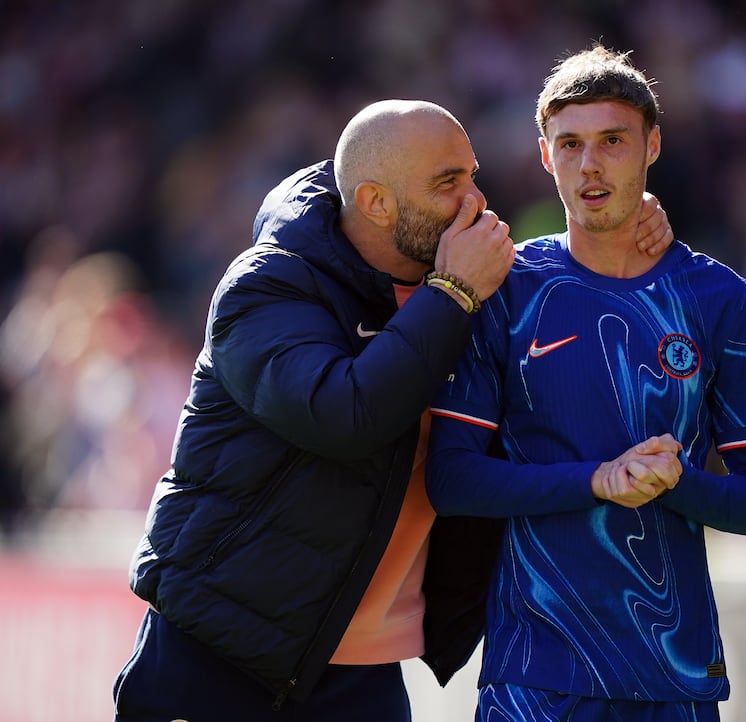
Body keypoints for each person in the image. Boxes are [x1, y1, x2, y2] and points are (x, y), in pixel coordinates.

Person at [112, 98, 676, 722]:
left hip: (363, 674)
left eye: (471, 174)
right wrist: (454, 292)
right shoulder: (270, 287)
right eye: (447, 184)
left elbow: (574, 324)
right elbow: (346, 417)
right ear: (377, 202)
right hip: (219, 652)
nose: (475, 202)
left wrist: (624, 223)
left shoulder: (471, 285)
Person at [426, 46, 746, 722]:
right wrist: (596, 479)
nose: (589, 165)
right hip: (534, 672)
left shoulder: (720, 299)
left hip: (675, 677)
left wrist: (678, 484)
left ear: (652, 145)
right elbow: (451, 478)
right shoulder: (506, 288)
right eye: (570, 144)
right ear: (544, 156)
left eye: (612, 142)